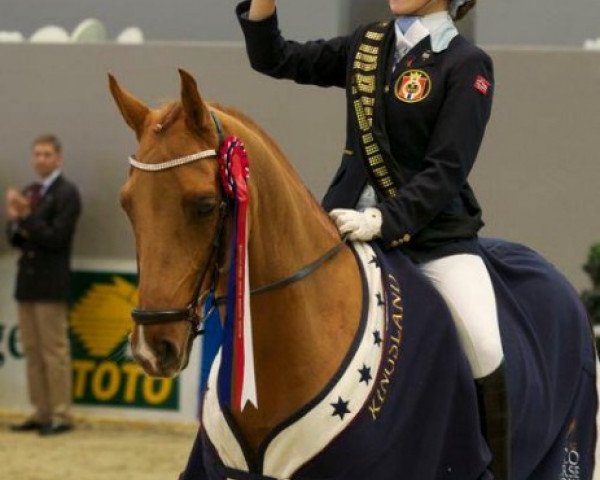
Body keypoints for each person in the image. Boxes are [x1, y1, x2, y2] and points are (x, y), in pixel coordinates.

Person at [237, 1, 510, 478]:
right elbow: (275, 58)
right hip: (340, 227)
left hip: (430, 238)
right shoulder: (367, 44)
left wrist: (385, 219)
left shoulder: (467, 64)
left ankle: (494, 470)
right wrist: (264, 5)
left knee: (484, 344)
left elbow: (446, 168)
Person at [5, 134, 81, 436]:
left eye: (47, 154)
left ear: (58, 158)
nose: (40, 159)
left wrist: (26, 216)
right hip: (28, 283)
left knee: (54, 352)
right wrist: (14, 220)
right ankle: (41, 411)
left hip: (51, 283)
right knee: (33, 351)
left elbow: (56, 237)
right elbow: (16, 240)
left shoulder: (67, 193)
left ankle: (62, 413)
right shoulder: (31, 191)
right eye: (36, 154)